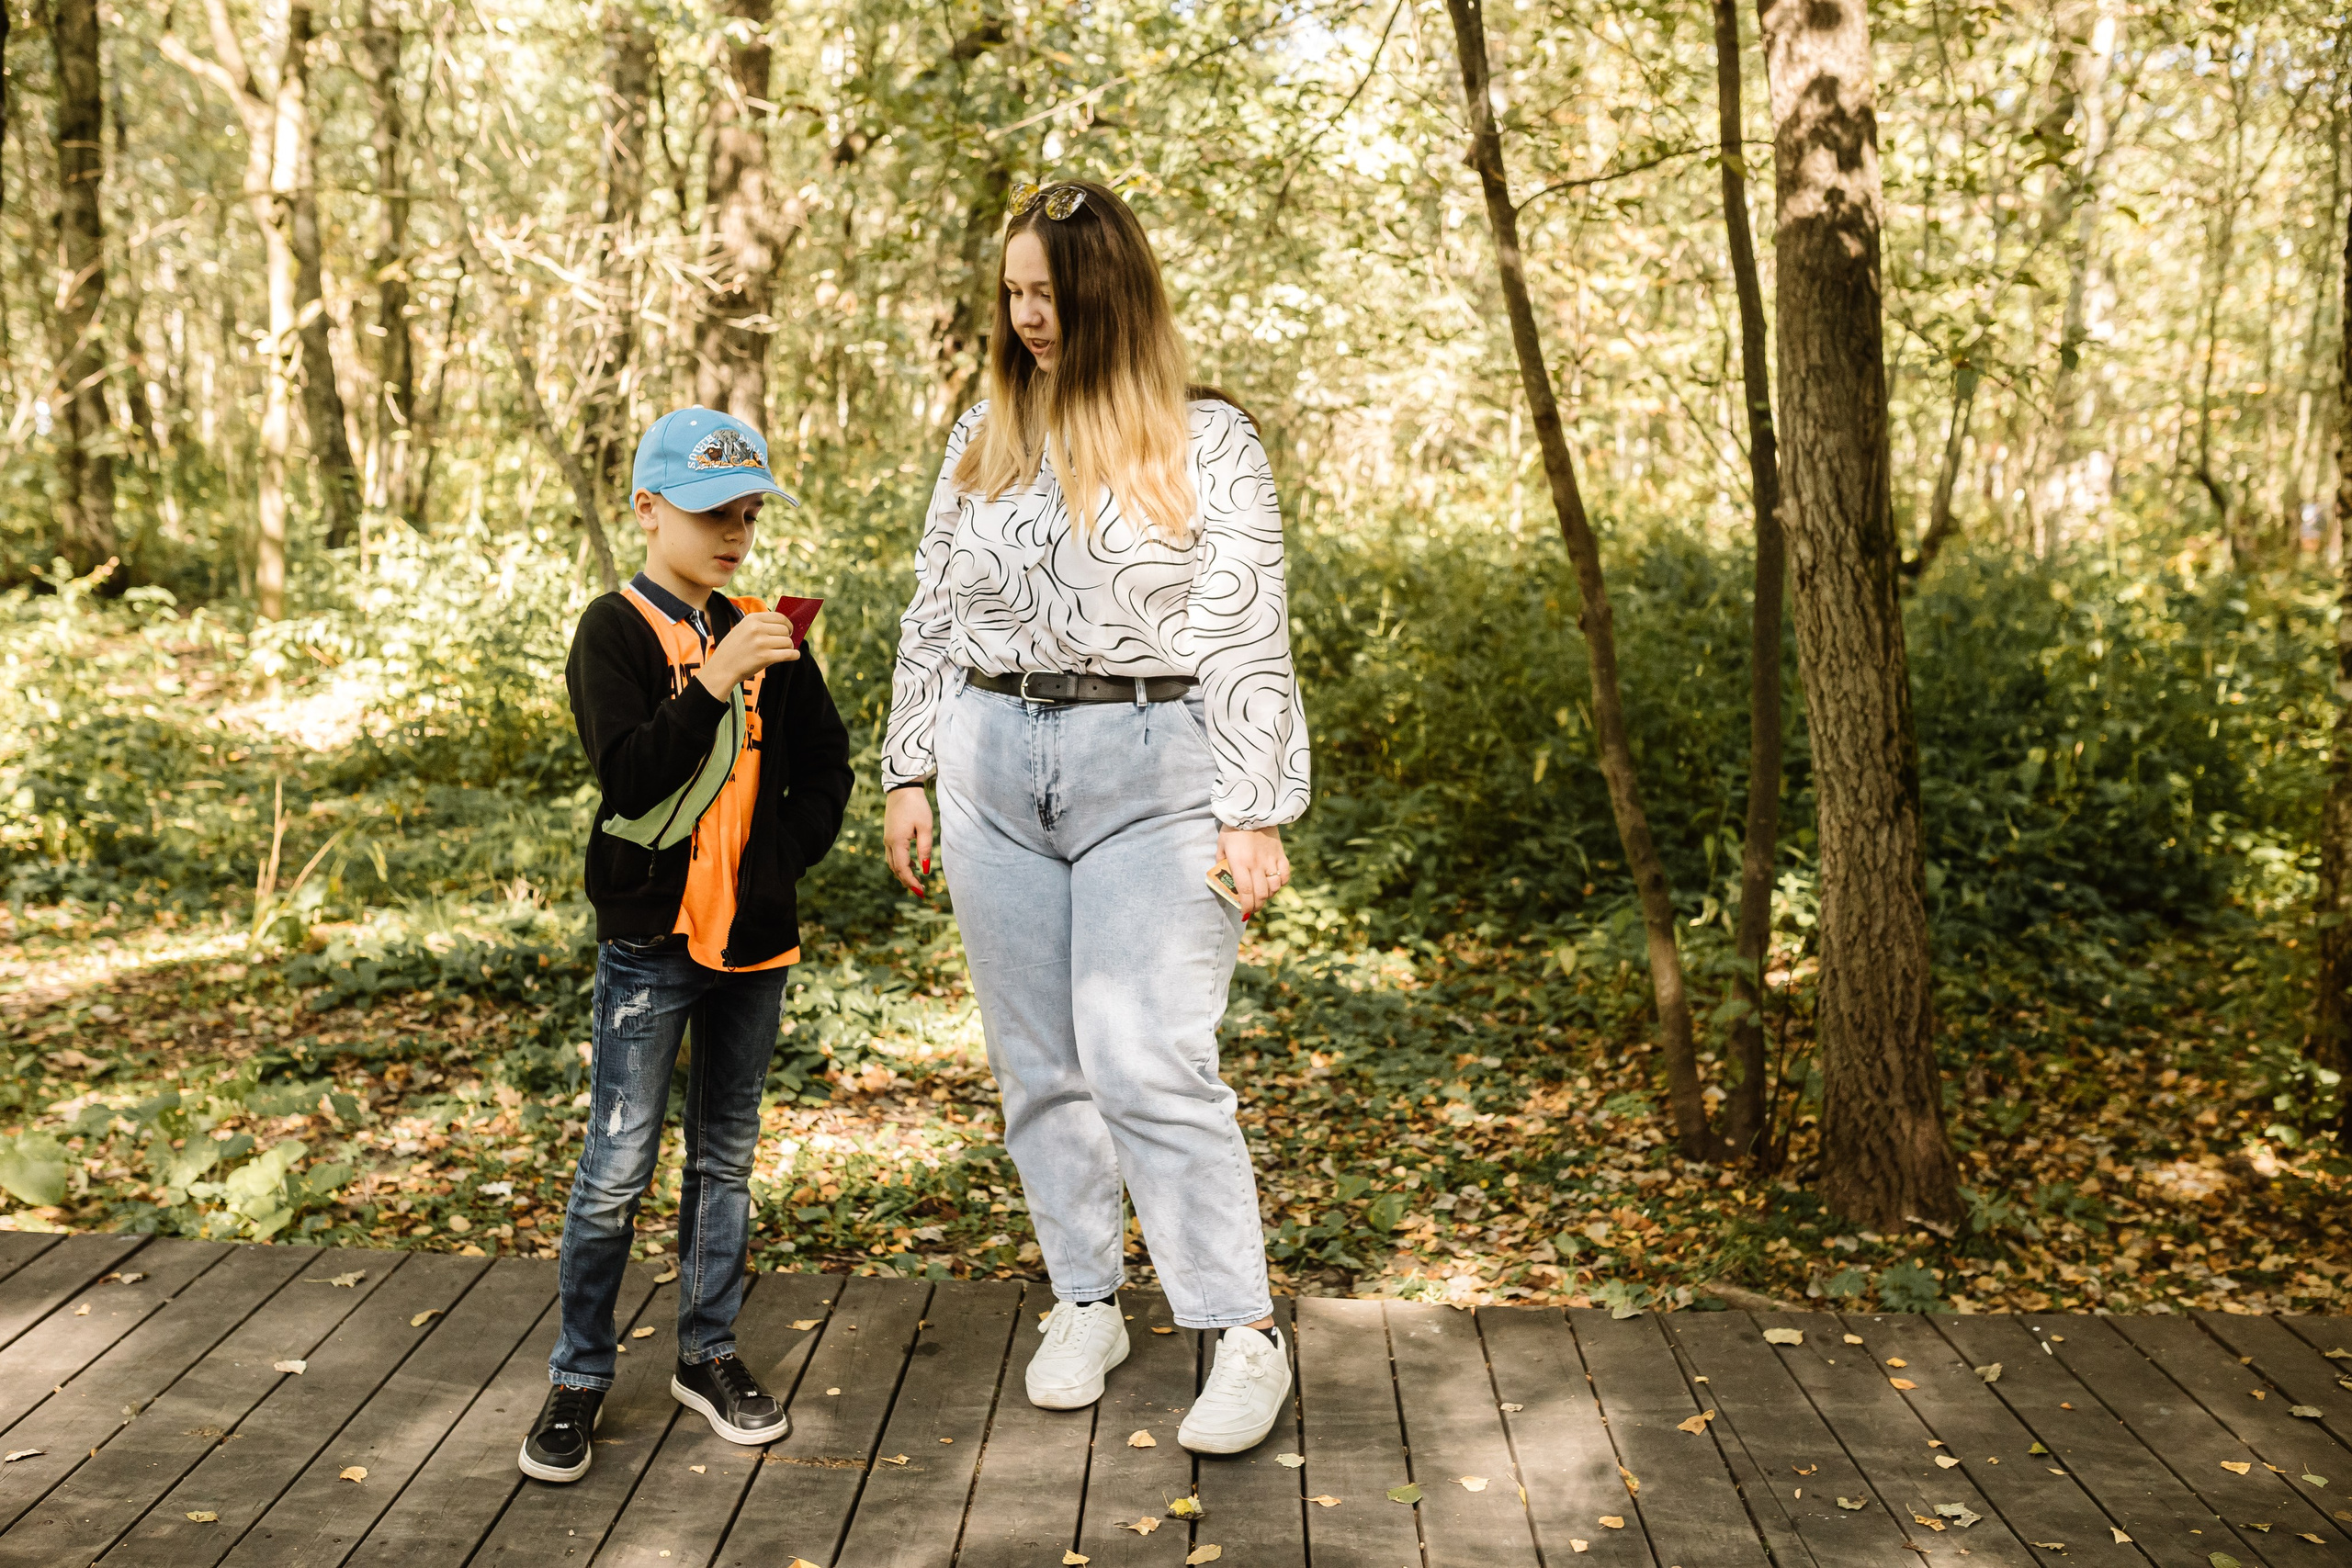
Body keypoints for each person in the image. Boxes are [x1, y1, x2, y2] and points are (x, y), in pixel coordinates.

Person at [879, 179, 1310, 1454]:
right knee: (1038, 1065)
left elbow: (1246, 625)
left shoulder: (1208, 438)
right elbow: (933, 609)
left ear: (1110, 295)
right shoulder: (984, 432)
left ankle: (1241, 1331)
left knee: (1148, 1058)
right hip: (991, 762)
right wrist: (908, 768)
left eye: (1051, 294)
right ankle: (1084, 1299)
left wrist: (1255, 807)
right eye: (1013, 293)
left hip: (1155, 768)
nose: (1028, 317)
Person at [521, 408, 854, 1483]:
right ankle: (580, 1373)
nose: (734, 536)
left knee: (725, 1157)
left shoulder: (769, 631)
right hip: (650, 942)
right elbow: (627, 781)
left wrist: (776, 863)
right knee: (615, 1167)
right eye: (713, 514)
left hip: (751, 938)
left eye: (748, 515)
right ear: (648, 510)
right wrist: (713, 680)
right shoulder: (613, 632)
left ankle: (706, 1354)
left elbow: (827, 770)